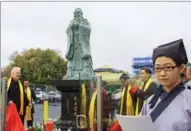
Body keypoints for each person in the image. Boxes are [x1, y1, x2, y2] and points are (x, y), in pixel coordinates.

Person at [140, 39, 191, 131]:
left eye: (168, 67)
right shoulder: (150, 102)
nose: (162, 73)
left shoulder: (189, 99)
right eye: (158, 68)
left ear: (181, 68)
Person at [64, 8, 94, 79]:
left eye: (78, 13)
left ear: (81, 14)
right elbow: (67, 30)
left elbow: (88, 29)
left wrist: (79, 26)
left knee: (84, 56)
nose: (76, 15)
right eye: (75, 13)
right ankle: (70, 72)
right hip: (73, 43)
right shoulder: (71, 22)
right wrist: (71, 27)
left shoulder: (85, 21)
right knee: (72, 58)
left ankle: (85, 71)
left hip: (82, 44)